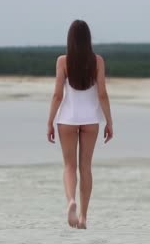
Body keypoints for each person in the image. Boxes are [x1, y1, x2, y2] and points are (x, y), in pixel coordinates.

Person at [46, 20, 114, 229]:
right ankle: (83, 217)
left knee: (69, 166)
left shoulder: (62, 61)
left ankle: (71, 202)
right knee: (86, 167)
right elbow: (102, 94)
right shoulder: (98, 61)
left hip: (66, 119)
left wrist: (50, 122)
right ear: (88, 39)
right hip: (91, 120)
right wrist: (109, 122)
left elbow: (58, 95)